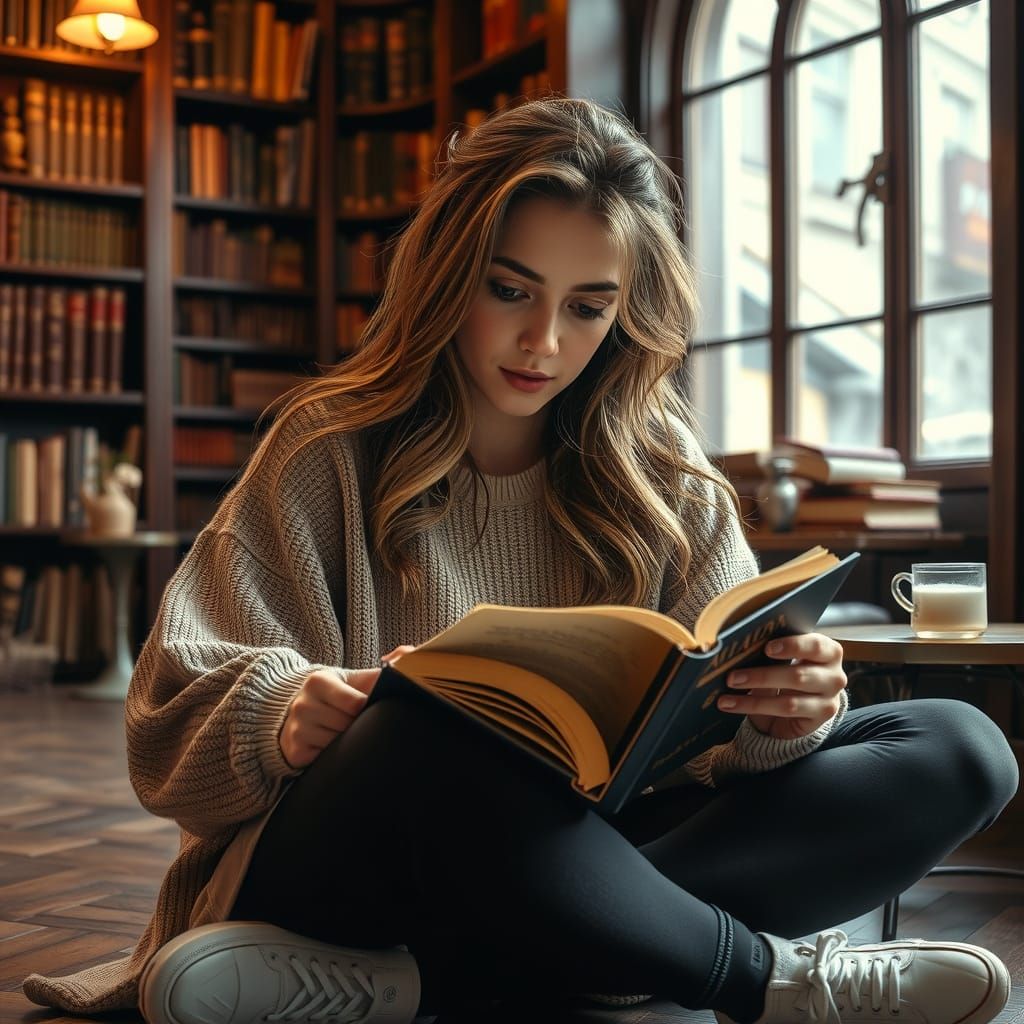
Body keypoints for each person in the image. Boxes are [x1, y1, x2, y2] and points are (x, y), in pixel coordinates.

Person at [23, 97, 1018, 1024]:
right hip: (359, 865)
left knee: (959, 746)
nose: (542, 340)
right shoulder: (328, 449)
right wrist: (280, 714)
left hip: (576, 862)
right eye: (510, 290)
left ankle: (435, 981)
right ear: (450, 274)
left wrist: (781, 714)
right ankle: (763, 980)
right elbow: (164, 716)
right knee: (429, 723)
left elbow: (712, 751)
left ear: (625, 313)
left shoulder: (669, 480)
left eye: (588, 306)